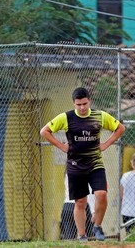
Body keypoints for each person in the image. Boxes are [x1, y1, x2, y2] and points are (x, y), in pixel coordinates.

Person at [40, 87, 125, 241]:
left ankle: (97, 226)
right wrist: (62, 146)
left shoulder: (100, 116)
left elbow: (120, 128)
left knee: (101, 194)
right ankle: (82, 235)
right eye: (79, 105)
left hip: (95, 164)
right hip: (75, 165)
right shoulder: (66, 118)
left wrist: (105, 144)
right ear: (74, 104)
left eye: (85, 104)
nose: (82, 107)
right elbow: (44, 131)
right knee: (80, 201)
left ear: (89, 101)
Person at [60, 174, 95, 239]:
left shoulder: (68, 171)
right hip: (83, 206)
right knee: (91, 236)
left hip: (68, 205)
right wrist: (93, 211)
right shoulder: (85, 170)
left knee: (70, 239)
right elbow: (89, 193)